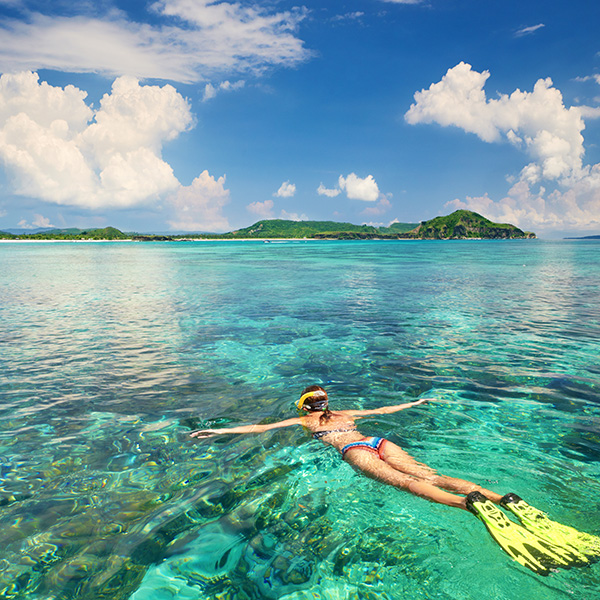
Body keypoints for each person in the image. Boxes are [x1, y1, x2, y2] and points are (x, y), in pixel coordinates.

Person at [191, 385, 600, 575]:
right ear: (327, 401)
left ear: (304, 406)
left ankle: (469, 505)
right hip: (377, 440)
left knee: (407, 484)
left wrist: (217, 432)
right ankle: (499, 497)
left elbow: (259, 430)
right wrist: (418, 401)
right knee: (433, 475)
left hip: (354, 450)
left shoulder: (304, 420)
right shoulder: (347, 413)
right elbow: (388, 408)